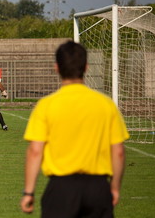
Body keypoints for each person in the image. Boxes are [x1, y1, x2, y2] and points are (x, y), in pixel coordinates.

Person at [20, 41, 130, 217]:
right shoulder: (106, 105)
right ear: (86, 67)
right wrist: (114, 188)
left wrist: (28, 192)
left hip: (61, 189)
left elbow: (35, 151)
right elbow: (118, 152)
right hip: (98, 189)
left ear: (56, 67)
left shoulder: (46, 105)